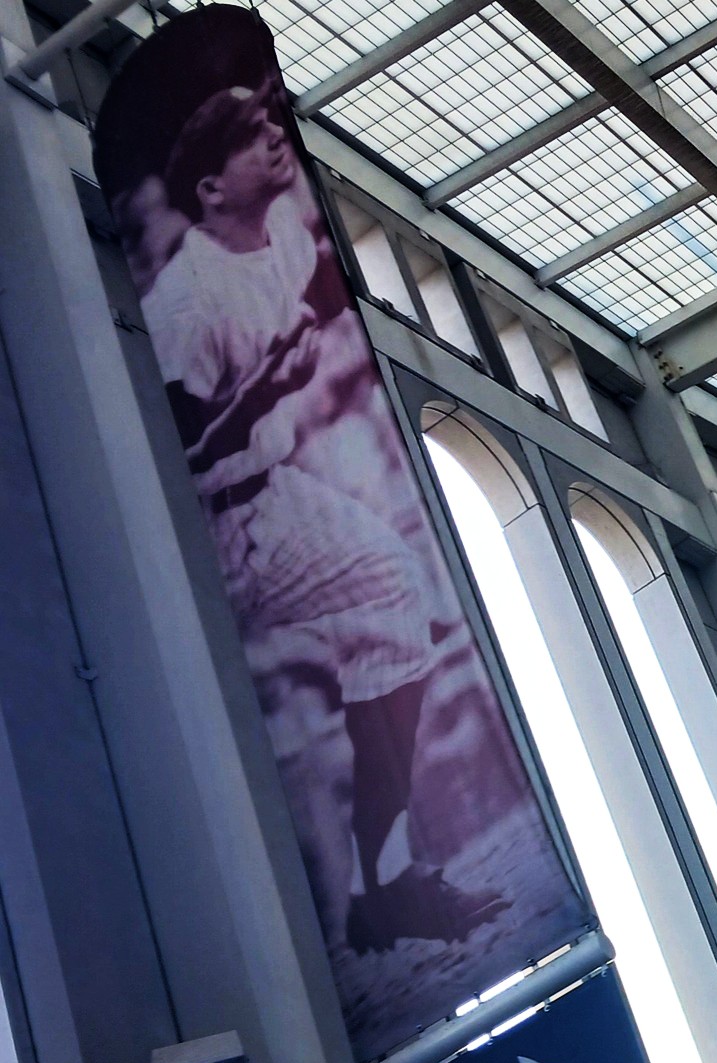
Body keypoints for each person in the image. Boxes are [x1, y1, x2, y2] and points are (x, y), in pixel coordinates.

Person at [143, 82, 506, 953]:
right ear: (210, 188)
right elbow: (178, 450)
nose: (274, 136)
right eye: (249, 135)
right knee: (388, 601)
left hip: (273, 488)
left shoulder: (276, 233)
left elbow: (295, 316)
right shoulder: (187, 300)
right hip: (216, 518)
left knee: (396, 600)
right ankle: (381, 884)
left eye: (271, 123)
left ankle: (384, 883)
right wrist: (265, 388)